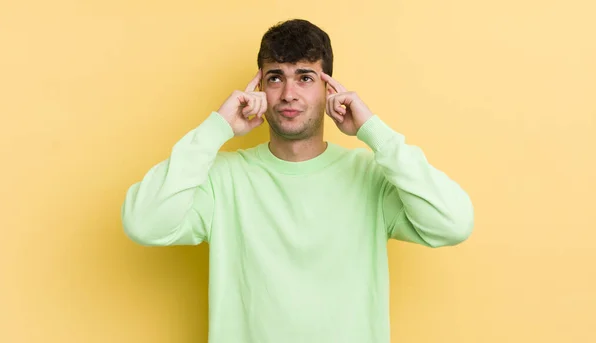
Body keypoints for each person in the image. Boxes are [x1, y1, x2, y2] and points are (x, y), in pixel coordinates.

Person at [121, 18, 474, 343]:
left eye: (305, 77)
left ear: (329, 90)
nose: (289, 93)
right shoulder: (223, 179)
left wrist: (373, 132)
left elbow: (453, 223)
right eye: (275, 77)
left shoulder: (371, 176)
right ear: (259, 88)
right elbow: (144, 223)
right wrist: (216, 128)